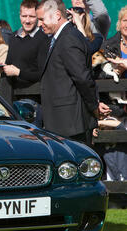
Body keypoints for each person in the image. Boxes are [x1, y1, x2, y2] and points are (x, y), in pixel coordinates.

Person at [39, 0, 99, 145]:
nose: (39, 24)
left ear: (57, 15)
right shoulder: (62, 37)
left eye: (42, 19)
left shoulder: (68, 38)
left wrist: (94, 107)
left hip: (71, 124)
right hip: (64, 122)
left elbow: (82, 78)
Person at [3, 0, 49, 127]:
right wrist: (3, 69)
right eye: (24, 16)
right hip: (13, 99)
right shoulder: (14, 37)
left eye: (32, 16)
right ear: (19, 16)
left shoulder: (43, 38)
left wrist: (18, 72)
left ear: (38, 18)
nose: (27, 20)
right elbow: (10, 62)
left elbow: (42, 72)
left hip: (34, 100)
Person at [101, 5, 127, 79]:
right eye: (125, 21)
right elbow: (98, 74)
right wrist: (116, 72)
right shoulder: (108, 46)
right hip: (117, 89)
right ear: (119, 23)